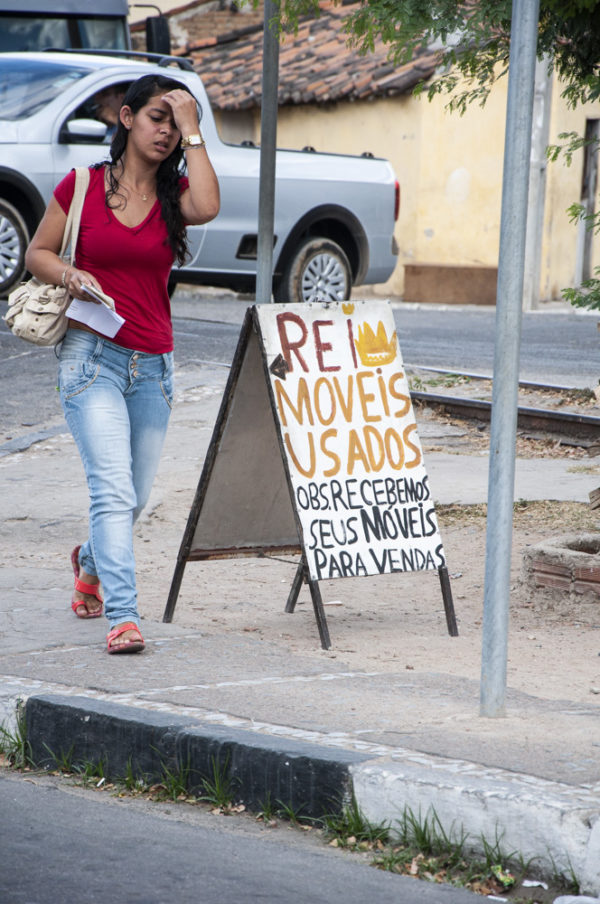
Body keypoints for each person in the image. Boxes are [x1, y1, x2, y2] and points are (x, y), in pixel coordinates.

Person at [25, 74, 220, 654]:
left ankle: (89, 562)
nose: (167, 131)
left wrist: (194, 132)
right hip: (91, 360)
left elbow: (208, 205)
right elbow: (36, 252)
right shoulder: (82, 185)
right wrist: (70, 273)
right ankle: (124, 616)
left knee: (133, 498)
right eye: (159, 118)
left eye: (177, 122)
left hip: (153, 366)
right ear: (128, 118)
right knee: (112, 491)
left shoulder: (174, 198)